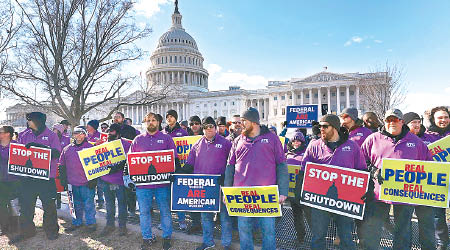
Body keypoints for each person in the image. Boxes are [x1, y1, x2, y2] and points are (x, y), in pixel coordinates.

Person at [360, 109, 432, 250]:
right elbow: (361, 161)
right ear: (384, 121)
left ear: (402, 121)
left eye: (395, 119)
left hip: (405, 194)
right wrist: (373, 170)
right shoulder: (373, 139)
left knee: (403, 231)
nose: (391, 122)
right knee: (373, 229)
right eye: (388, 120)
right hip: (378, 194)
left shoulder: (415, 142)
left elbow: (428, 165)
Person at [224, 107, 288, 250]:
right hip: (242, 195)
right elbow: (230, 166)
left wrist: (283, 190)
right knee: (244, 230)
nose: (240, 124)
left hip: (266, 195)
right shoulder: (238, 140)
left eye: (243, 121)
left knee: (268, 231)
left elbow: (282, 165)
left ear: (253, 122)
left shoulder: (272, 139)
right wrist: (227, 191)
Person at [302, 115, 365, 250]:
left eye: (325, 126)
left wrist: (366, 190)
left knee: (346, 237)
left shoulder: (352, 146)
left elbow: (362, 171)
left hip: (345, 201)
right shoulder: (314, 145)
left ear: (335, 128)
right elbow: (304, 171)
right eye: (320, 126)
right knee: (318, 237)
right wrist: (299, 191)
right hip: (319, 201)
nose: (321, 129)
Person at [129, 112, 179, 250]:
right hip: (143, 185)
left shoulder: (166, 138)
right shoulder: (138, 140)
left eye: (153, 120)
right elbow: (131, 161)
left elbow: (174, 158)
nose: (151, 122)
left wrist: (173, 174)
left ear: (158, 122)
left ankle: (167, 236)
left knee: (165, 211)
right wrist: (131, 179)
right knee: (144, 212)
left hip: (162, 184)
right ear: (145, 123)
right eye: (148, 120)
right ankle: (147, 237)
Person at [181, 117, 232, 250]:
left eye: (211, 126)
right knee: (206, 216)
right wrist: (177, 173)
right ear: (203, 129)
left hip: (221, 185)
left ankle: (226, 243)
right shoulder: (197, 144)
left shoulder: (226, 143)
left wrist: (226, 178)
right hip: (203, 187)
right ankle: (208, 241)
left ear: (216, 128)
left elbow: (233, 164)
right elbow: (189, 164)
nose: (209, 128)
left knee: (225, 216)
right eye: (206, 126)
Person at [11, 112, 62, 243]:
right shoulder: (23, 135)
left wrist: (42, 148)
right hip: (28, 178)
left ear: (39, 121)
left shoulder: (51, 135)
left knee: (49, 205)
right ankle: (26, 231)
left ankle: (51, 231)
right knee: (26, 206)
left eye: (30, 120)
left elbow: (57, 153)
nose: (28, 122)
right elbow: (18, 154)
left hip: (46, 178)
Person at [402, 112, 436, 250]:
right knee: (404, 224)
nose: (416, 125)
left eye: (418, 121)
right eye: (413, 122)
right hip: (405, 189)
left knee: (427, 224)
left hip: (425, 190)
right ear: (405, 124)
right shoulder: (401, 138)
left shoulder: (429, 138)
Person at [59, 126, 97, 233]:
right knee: (75, 205)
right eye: (76, 133)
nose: (78, 135)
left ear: (85, 135)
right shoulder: (67, 149)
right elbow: (61, 166)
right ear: (73, 135)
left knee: (89, 204)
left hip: (86, 182)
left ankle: (91, 223)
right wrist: (63, 180)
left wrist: (93, 180)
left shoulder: (90, 147)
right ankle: (77, 222)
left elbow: (97, 166)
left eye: (81, 133)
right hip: (72, 182)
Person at [98, 123, 131, 236]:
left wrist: (117, 167)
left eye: (111, 131)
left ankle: (122, 226)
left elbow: (128, 160)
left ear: (117, 132)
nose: (109, 133)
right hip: (106, 180)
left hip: (120, 180)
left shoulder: (125, 144)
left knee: (122, 204)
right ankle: (109, 225)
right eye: (108, 131)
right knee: (109, 204)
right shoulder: (104, 145)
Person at [425, 106, 450, 250]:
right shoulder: (425, 136)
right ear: (433, 119)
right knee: (437, 215)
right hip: (435, 182)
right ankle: (442, 243)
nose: (444, 120)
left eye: (446, 117)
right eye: (440, 117)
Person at [161, 110, 190, 231]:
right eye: (167, 117)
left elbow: (188, 148)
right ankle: (165, 221)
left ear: (176, 118)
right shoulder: (162, 133)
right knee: (165, 197)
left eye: (171, 116)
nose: (169, 118)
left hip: (179, 167)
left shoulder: (183, 132)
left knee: (178, 195)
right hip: (165, 168)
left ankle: (182, 220)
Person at [286, 129, 311, 243]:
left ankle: (316, 236)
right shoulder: (287, 155)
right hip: (292, 192)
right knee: (297, 216)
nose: (296, 143)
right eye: (294, 141)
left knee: (309, 215)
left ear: (302, 142)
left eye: (298, 141)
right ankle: (300, 236)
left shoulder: (306, 154)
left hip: (304, 191)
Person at [113, 112, 137, 216]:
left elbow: (134, 142)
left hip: (127, 161)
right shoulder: (111, 129)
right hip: (116, 161)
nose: (116, 119)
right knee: (118, 188)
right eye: (115, 117)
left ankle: (131, 208)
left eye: (118, 117)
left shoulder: (130, 129)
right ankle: (122, 209)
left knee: (129, 187)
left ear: (123, 118)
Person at [0, 126, 20, 235]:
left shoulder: (17, 146)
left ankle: (15, 226)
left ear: (7, 134)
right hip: (1, 181)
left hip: (14, 181)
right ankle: (4, 227)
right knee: (1, 205)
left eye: (0, 132)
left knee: (14, 204)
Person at [52, 123, 71, 209]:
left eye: (56, 130)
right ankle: (57, 202)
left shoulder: (66, 139)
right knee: (56, 184)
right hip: (53, 164)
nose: (54, 131)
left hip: (64, 164)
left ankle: (71, 203)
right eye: (53, 129)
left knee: (64, 183)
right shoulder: (51, 138)